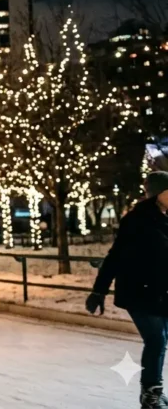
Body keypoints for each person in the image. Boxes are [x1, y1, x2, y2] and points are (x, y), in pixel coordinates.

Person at [88, 172, 168, 408]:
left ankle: (154, 390)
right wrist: (99, 290)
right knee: (156, 339)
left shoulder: (165, 219)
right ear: (158, 194)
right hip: (139, 291)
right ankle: (150, 394)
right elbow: (115, 256)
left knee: (160, 341)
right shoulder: (136, 220)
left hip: (160, 292)